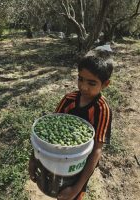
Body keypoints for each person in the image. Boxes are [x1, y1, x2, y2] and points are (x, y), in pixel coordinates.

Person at [29, 55, 113, 200]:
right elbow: (47, 130)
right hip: (57, 158)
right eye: (80, 79)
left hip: (80, 163)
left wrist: (76, 189)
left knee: (71, 195)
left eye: (92, 83)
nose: (83, 87)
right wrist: (33, 160)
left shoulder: (102, 109)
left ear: (105, 84)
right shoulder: (69, 99)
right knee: (55, 186)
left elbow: (97, 150)